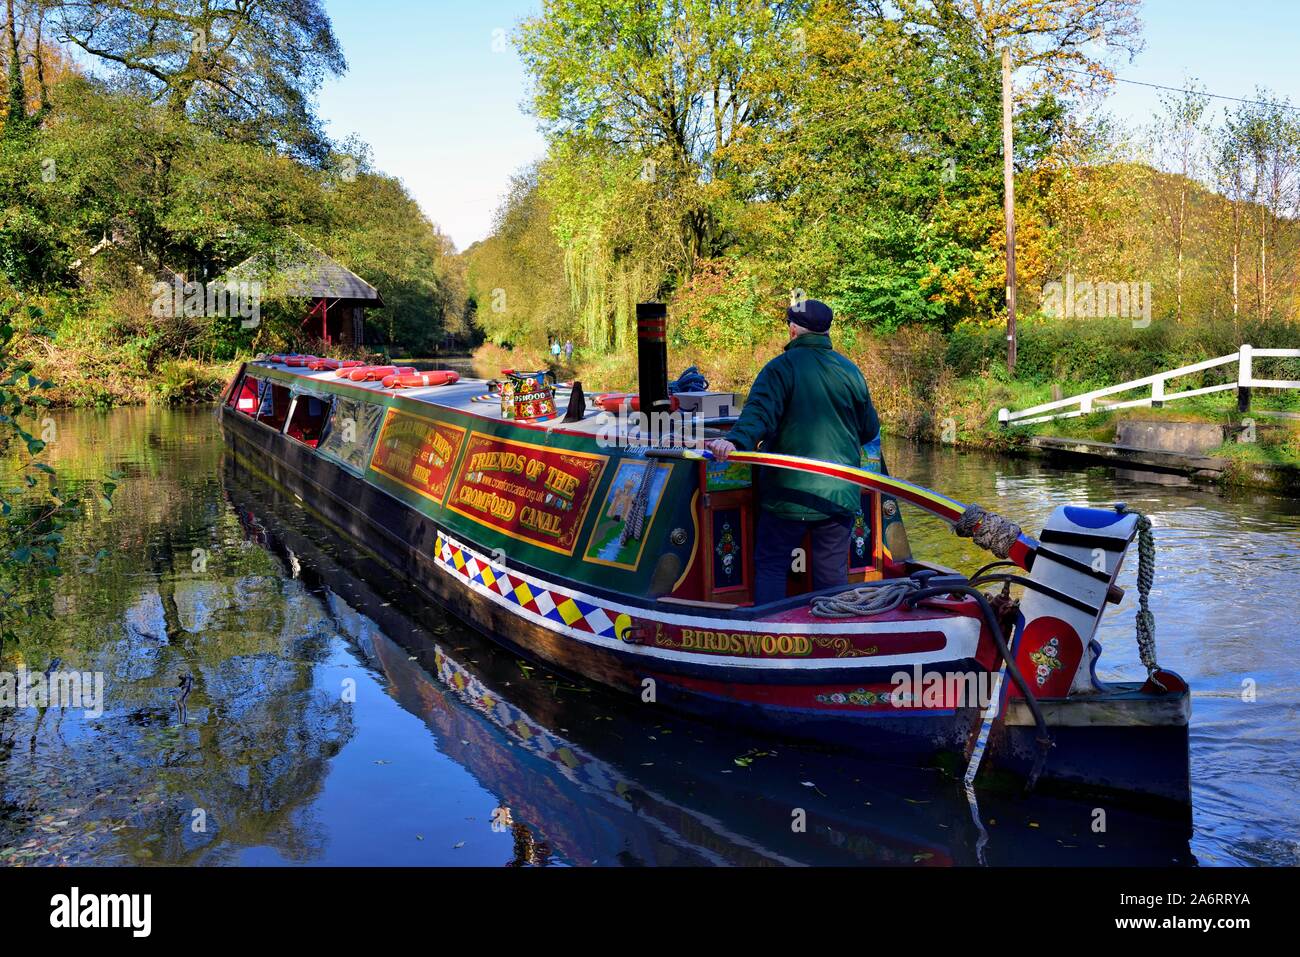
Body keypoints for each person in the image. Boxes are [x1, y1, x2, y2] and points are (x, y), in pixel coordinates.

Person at [706, 299, 879, 606]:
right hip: (839, 494)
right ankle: (834, 636)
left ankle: (769, 635)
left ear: (793, 329)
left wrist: (734, 442)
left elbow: (758, 414)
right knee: (831, 575)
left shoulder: (780, 368)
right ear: (826, 331)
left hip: (789, 493)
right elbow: (868, 430)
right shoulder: (851, 372)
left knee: (772, 564)